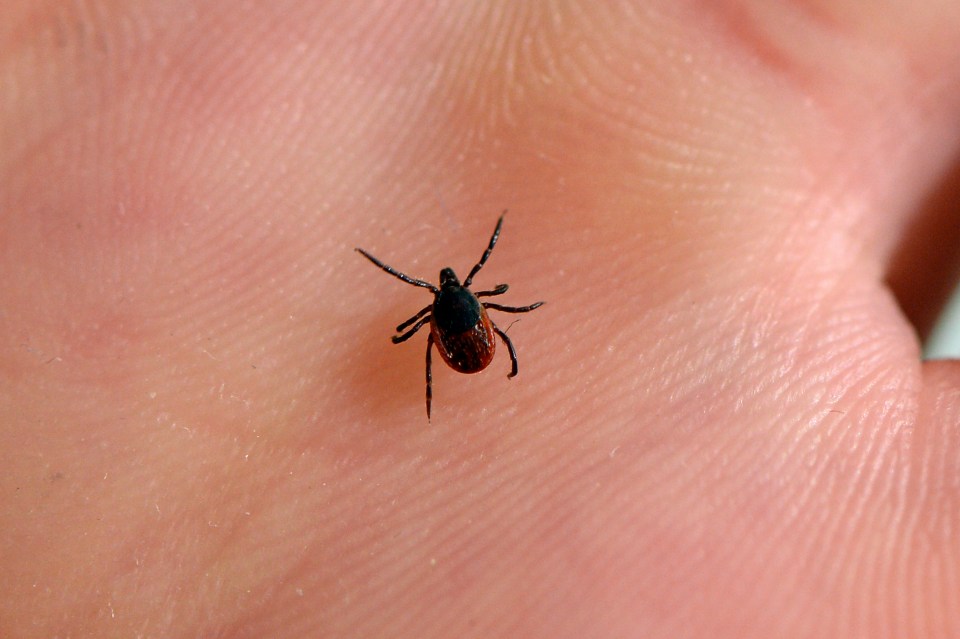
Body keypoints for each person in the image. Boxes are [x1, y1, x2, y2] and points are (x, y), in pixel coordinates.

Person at [2, 3, 959, 637]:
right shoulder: (468, 308)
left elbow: (415, 342)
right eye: (458, 300)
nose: (458, 294)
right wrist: (496, 350)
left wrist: (449, 350)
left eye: (456, 300)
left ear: (450, 313)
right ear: (464, 310)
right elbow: (477, 310)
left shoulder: (436, 319)